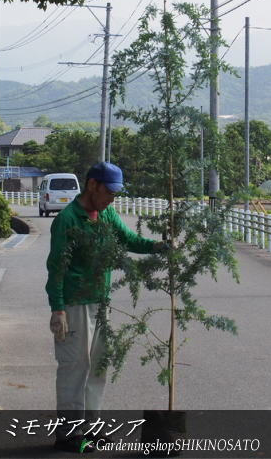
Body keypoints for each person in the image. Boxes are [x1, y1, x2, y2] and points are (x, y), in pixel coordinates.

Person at [46, 162, 163, 453]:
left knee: (99, 366)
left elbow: (129, 240)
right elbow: (56, 269)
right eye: (109, 191)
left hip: (101, 301)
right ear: (92, 185)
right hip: (74, 303)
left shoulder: (107, 213)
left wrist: (159, 248)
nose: (113, 198)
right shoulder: (68, 219)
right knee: (75, 367)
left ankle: (91, 428)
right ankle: (69, 435)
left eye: (116, 193)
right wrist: (57, 308)